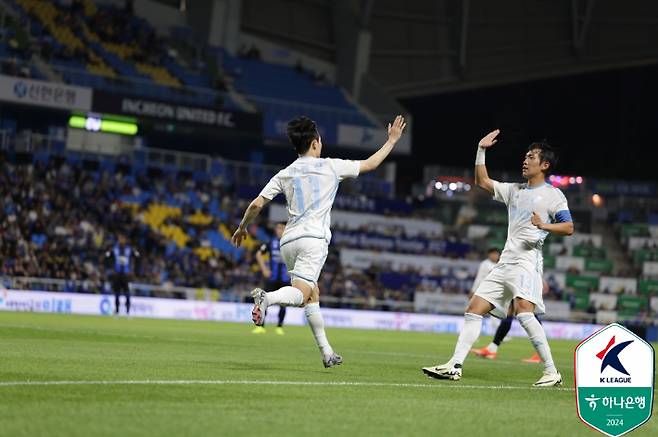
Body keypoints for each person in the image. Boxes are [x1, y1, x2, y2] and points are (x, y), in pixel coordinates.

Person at [232, 115, 406, 367]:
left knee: (312, 294)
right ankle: (266, 299)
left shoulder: (286, 172)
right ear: (315, 143)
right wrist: (391, 141)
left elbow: (257, 204)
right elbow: (370, 164)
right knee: (302, 294)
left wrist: (242, 227)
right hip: (314, 239)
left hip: (289, 241)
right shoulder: (331, 166)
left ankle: (327, 353)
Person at [422, 129, 574, 387]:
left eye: (532, 157)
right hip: (505, 263)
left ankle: (551, 371)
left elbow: (568, 228)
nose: (525, 161)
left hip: (526, 262)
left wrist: (543, 226)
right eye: (525, 156)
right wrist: (481, 149)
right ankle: (454, 365)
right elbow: (483, 181)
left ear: (545, 165)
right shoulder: (515, 190)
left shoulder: (554, 195)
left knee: (525, 313)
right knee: (474, 308)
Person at [471, 278, 550, 363]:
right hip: (518, 280)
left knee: (528, 311)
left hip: (525, 280)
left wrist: (541, 280)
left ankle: (541, 354)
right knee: (511, 310)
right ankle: (492, 348)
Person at [253, 222, 290, 335]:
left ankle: (279, 326)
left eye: (282, 228)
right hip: (272, 278)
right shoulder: (271, 242)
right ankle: (261, 326)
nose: (279, 230)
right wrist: (264, 269)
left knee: (283, 303)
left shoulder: (291, 243)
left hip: (285, 279)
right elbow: (258, 254)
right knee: (264, 301)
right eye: (278, 228)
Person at [105, 234, 140, 316]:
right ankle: (117, 311)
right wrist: (108, 252)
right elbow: (107, 256)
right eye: (120, 239)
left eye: (122, 239)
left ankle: (128, 311)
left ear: (125, 240)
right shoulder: (115, 249)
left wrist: (133, 269)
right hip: (117, 275)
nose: (121, 240)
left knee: (127, 293)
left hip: (125, 275)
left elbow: (137, 256)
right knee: (117, 293)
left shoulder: (129, 249)